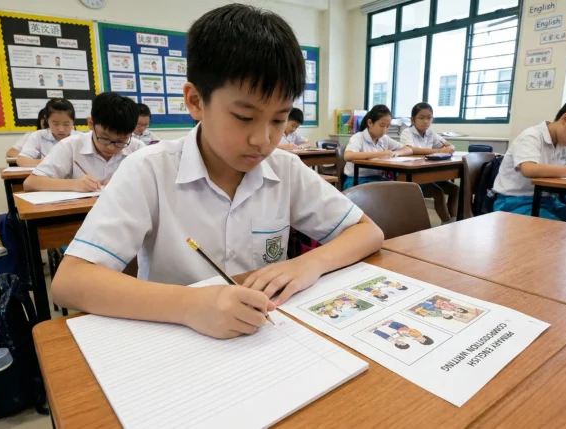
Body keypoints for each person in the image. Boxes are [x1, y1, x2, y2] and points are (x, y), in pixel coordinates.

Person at [51, 4, 383, 340]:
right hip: (175, 339)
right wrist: (189, 304)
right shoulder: (148, 170)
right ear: (195, 101)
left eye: (279, 120)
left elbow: (368, 232)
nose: (263, 139)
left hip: (265, 337)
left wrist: (308, 264)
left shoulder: (285, 169)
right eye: (244, 117)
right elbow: (70, 281)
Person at [492, 93, 566, 229]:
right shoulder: (532, 136)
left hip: (549, 201)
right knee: (561, 235)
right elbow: (529, 169)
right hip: (514, 202)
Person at [23, 93, 146, 192]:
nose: (111, 147)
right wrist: (74, 184)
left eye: (121, 141)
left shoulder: (138, 148)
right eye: (104, 138)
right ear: (91, 124)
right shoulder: (70, 146)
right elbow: (30, 183)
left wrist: (127, 182)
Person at [400, 102, 459, 223]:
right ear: (413, 120)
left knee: (455, 189)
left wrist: (449, 148)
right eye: (421, 118)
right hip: (414, 176)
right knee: (438, 192)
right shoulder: (407, 132)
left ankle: (454, 220)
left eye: (429, 118)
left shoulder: (431, 132)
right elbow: (411, 150)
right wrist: (438, 150)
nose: (426, 121)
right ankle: (446, 222)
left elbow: (448, 145)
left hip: (431, 174)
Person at [342, 105, 413, 190]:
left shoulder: (384, 139)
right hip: (356, 180)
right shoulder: (358, 137)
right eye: (381, 125)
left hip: (376, 179)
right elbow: (348, 156)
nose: (384, 130)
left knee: (401, 188)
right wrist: (380, 154)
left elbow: (409, 149)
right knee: (388, 190)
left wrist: (395, 153)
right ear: (370, 123)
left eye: (388, 126)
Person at [17, 98, 77, 167]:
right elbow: (21, 160)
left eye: (66, 124)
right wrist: (45, 162)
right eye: (55, 124)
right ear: (47, 120)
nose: (61, 129)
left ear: (73, 120)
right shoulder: (38, 136)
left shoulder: (81, 138)